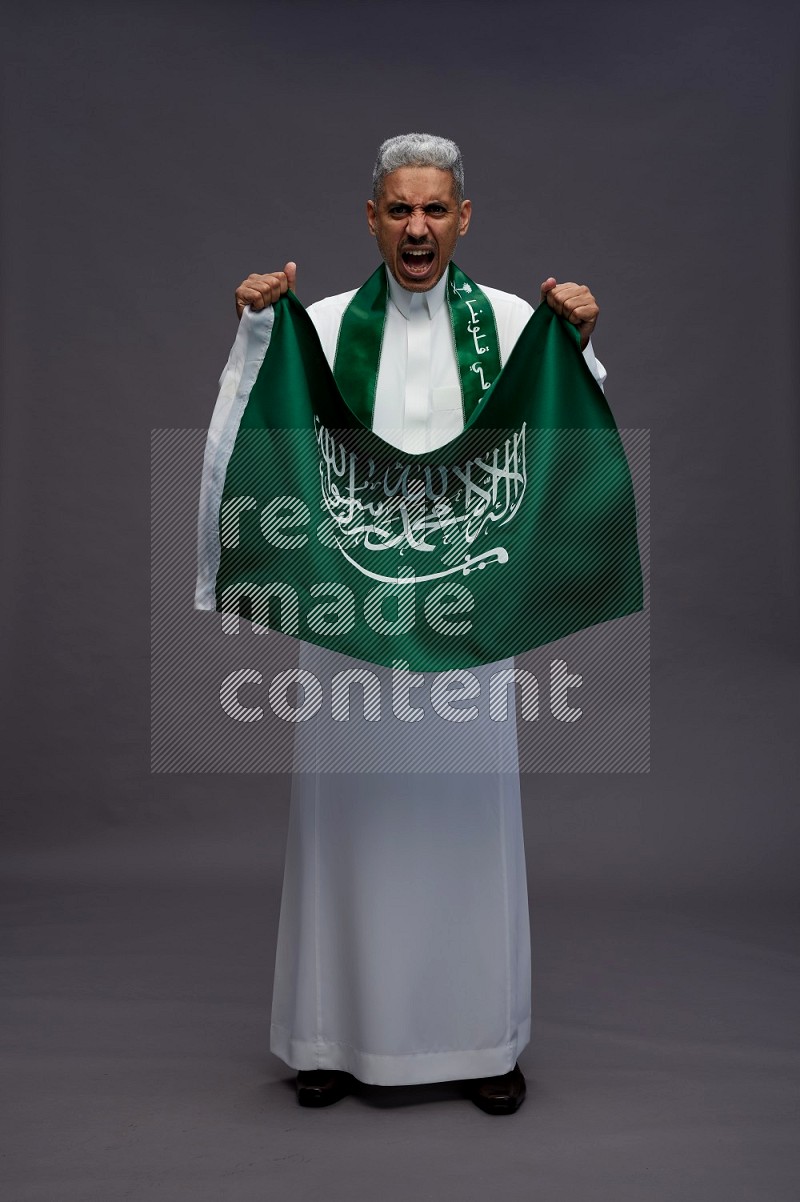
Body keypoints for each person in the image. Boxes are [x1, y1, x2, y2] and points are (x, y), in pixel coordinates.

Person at [229, 133, 604, 1115]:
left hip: (464, 619)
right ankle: (332, 1037)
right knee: (347, 819)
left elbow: (568, 451)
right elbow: (256, 449)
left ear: (463, 217)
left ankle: (479, 1039)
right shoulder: (319, 323)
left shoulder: (516, 325)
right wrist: (257, 333)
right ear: (371, 219)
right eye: (398, 209)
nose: (416, 227)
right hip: (348, 614)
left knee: (461, 822)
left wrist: (579, 340)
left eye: (434, 208)